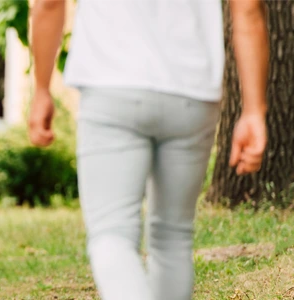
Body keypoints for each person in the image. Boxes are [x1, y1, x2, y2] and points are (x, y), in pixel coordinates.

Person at [29, 0, 269, 299]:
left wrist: (41, 88)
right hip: (192, 90)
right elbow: (247, 8)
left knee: (111, 236)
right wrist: (254, 109)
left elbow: (49, 4)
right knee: (173, 238)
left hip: (111, 83)